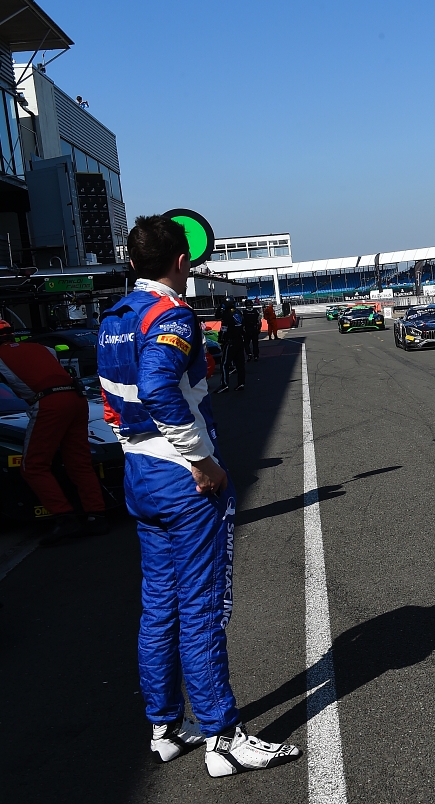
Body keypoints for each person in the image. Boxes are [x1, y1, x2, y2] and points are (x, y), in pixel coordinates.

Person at [96, 215, 300, 776]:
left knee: (159, 607)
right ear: (182, 261)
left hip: (139, 473)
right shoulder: (171, 314)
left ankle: (164, 728)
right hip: (183, 479)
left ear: (132, 262)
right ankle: (222, 737)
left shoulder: (114, 318)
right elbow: (158, 387)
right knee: (202, 607)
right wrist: (201, 459)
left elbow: (112, 401)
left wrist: (135, 446)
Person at [0, 321, 107, 545]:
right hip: (77, 399)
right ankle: (96, 516)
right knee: (79, 462)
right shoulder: (42, 348)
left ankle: (64, 518)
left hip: (49, 403)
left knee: (33, 466)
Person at [215, 299, 245, 392]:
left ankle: (224, 384)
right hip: (240, 339)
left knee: (224, 363)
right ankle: (241, 383)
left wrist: (221, 339)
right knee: (240, 363)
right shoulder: (238, 312)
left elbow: (218, 318)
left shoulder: (226, 314)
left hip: (230, 341)